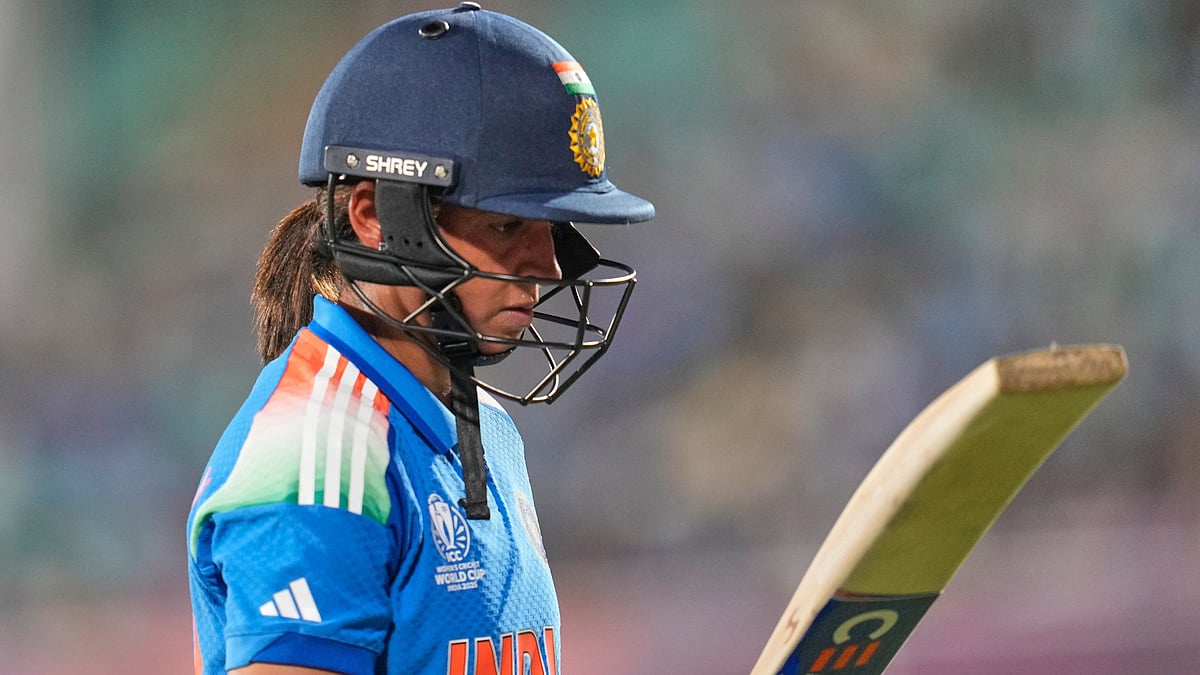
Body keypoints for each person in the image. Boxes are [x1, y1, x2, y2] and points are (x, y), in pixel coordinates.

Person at [186, 4, 654, 674]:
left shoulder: (483, 421)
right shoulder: (317, 460)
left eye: (551, 230)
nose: (549, 267)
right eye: (505, 226)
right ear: (375, 216)